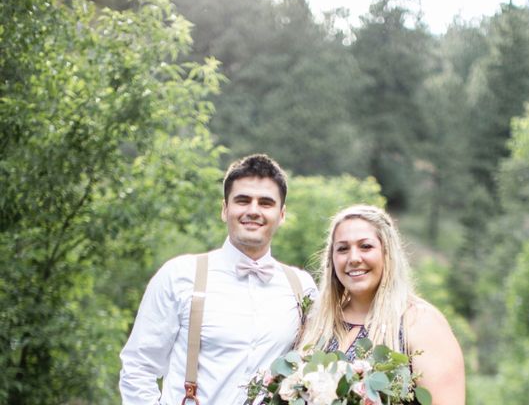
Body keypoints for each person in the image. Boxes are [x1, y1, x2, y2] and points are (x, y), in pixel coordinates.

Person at [119, 154, 317, 405]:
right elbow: (139, 367)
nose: (253, 210)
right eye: (242, 200)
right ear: (225, 209)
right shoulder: (179, 275)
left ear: (282, 214)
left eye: (265, 203)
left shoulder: (302, 288)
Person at [298, 204, 465, 404]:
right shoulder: (318, 325)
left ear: (388, 253)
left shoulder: (420, 322)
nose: (353, 258)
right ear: (331, 259)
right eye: (342, 249)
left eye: (366, 246)